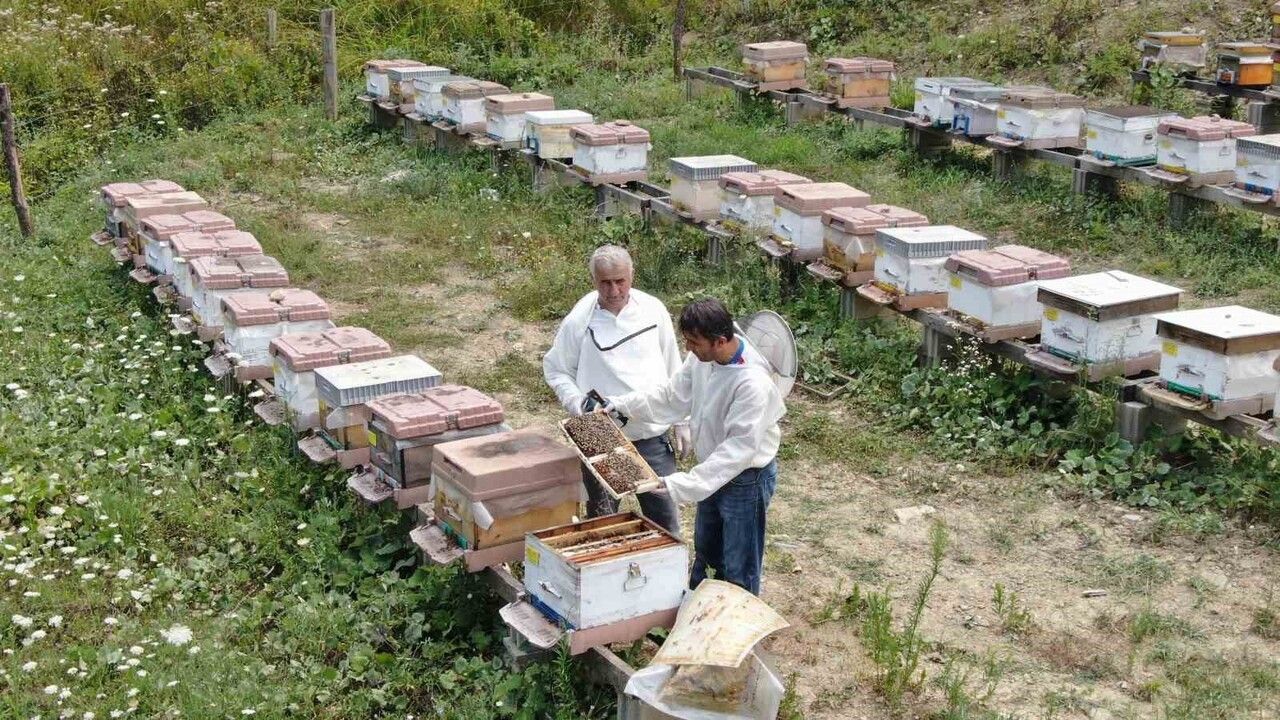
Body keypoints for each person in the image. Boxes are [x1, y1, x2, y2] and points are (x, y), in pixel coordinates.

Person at [605, 298, 785, 596]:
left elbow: (737, 451)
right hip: (712, 471)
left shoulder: (753, 383)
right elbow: (671, 397)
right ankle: (698, 616)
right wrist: (620, 404)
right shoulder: (703, 359)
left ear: (720, 341)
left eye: (694, 342)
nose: (688, 348)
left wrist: (683, 484)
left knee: (739, 566)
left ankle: (736, 632)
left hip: (745, 479)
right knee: (707, 554)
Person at [542, 245, 688, 534]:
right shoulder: (580, 319)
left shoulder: (653, 310)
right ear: (594, 280)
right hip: (600, 432)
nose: (613, 290)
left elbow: (675, 366)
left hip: (651, 430)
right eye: (605, 282)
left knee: (665, 523)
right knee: (602, 522)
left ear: (632, 276)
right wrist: (578, 403)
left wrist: (684, 418)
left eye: (620, 281)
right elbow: (556, 368)